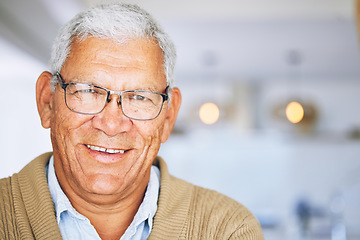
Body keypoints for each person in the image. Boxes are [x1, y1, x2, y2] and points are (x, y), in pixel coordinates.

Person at [0, 3, 263, 240]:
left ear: (168, 117)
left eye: (139, 97)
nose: (111, 124)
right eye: (89, 91)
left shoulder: (227, 230)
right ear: (47, 101)